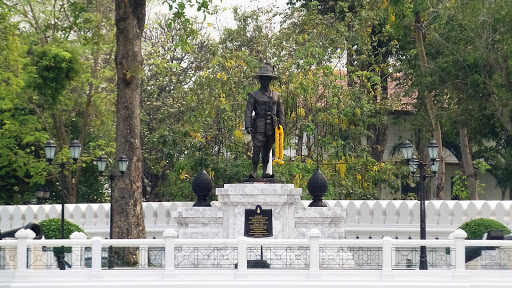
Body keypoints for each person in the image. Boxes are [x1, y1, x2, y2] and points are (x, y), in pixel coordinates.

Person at [244, 62, 285, 178]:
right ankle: (254, 171)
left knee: (267, 149)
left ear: (270, 80)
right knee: (257, 148)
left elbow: (280, 111)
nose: (265, 81)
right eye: (263, 78)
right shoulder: (254, 95)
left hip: (271, 126)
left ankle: (265, 171)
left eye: (267, 78)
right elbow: (248, 110)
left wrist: (282, 126)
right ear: (260, 80)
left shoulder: (276, 95)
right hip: (258, 124)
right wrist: (248, 125)